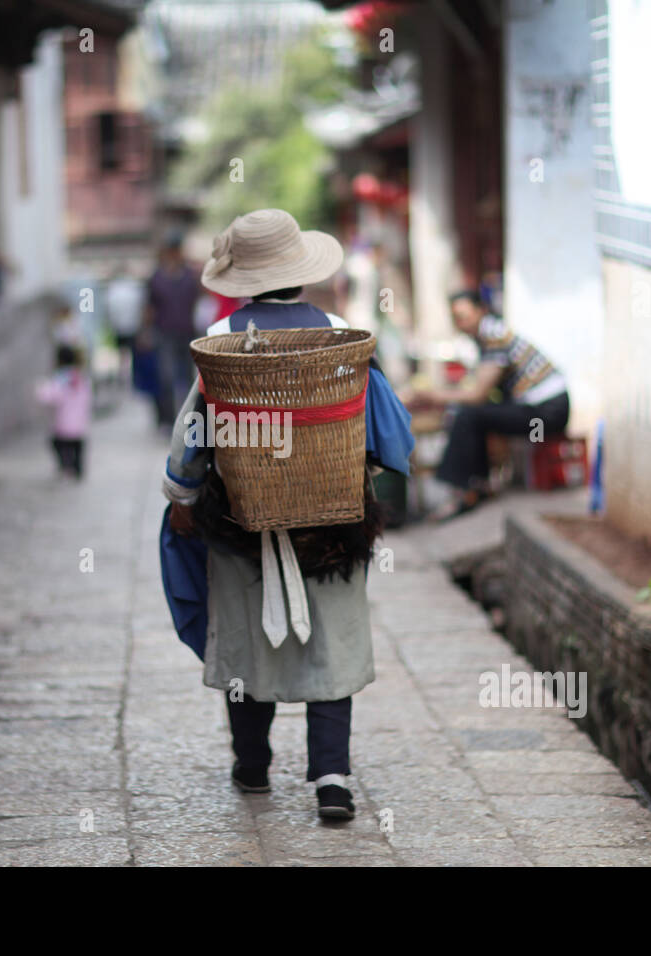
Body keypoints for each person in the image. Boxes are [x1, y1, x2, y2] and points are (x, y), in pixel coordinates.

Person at [158, 209, 415, 822]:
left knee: (248, 644)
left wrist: (183, 500)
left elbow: (191, 439)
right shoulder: (340, 335)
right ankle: (332, 780)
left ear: (241, 280)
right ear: (302, 273)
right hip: (332, 525)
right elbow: (390, 435)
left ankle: (252, 765)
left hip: (244, 519)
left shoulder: (218, 338)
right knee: (334, 640)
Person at [420, 291, 570, 520]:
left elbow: (478, 394)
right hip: (540, 407)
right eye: (456, 318)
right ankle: (475, 486)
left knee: (471, 414)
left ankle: (464, 491)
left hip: (547, 412)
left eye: (464, 316)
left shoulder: (494, 335)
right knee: (474, 415)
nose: (461, 324)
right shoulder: (485, 337)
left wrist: (433, 397)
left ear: (481, 311)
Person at [144, 232, 202, 428]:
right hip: (164, 333)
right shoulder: (156, 278)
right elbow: (149, 307)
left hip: (186, 332)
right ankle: (167, 420)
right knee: (166, 377)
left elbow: (197, 302)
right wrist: (145, 332)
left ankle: (188, 419)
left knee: (187, 379)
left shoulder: (189, 277)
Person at [35, 344, 92, 479]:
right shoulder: (81, 376)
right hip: (80, 422)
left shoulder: (61, 378)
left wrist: (40, 388)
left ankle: (65, 467)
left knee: (57, 444)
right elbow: (88, 396)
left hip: (63, 422)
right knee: (77, 446)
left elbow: (49, 396)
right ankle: (77, 469)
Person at [105, 264, 145, 385]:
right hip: (132, 327)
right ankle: (131, 378)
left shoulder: (113, 290)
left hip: (120, 328)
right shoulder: (134, 288)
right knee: (132, 355)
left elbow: (110, 311)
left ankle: (123, 376)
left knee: (122, 355)